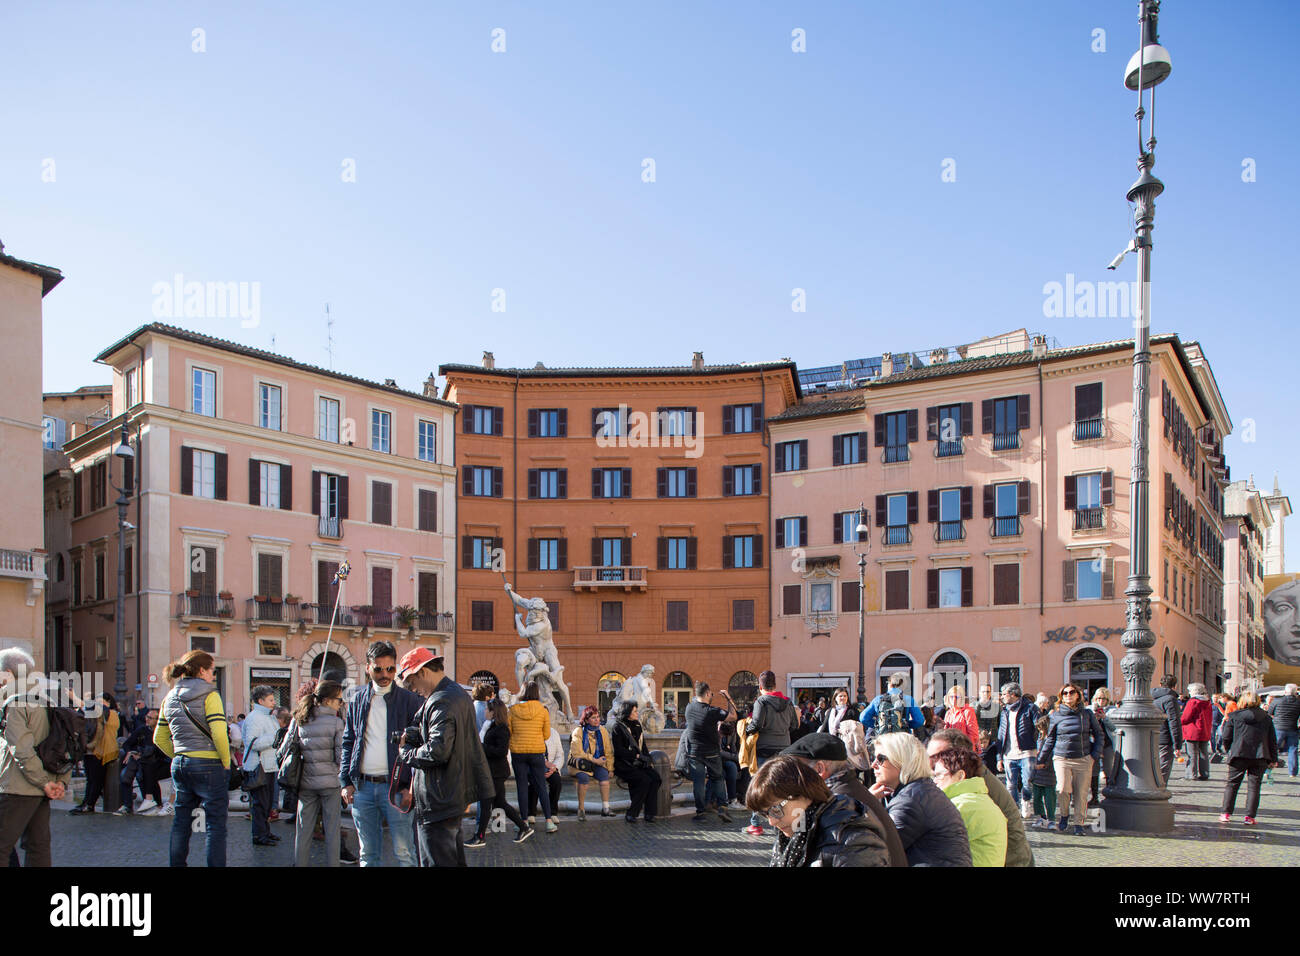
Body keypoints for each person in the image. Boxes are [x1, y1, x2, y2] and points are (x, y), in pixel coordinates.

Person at [395, 648, 494, 867]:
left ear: (422, 672)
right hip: (450, 794)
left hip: (439, 797)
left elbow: (437, 750)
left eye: (411, 683)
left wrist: (406, 753)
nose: (413, 690)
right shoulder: (456, 693)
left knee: (438, 860)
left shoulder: (441, 700)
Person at [340, 640, 423, 867]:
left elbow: (419, 747)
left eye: (390, 669)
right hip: (362, 788)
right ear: (368, 667)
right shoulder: (357, 700)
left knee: (404, 852)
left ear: (395, 668)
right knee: (368, 854)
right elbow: (349, 742)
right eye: (378, 669)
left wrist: (411, 785)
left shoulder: (410, 701)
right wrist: (345, 781)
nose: (385, 674)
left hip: (397, 788)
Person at [780, 733, 906, 866]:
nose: (792, 777)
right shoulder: (846, 791)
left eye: (796, 770)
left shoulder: (837, 804)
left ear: (819, 769)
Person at [746, 755, 893, 867]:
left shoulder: (850, 842)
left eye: (776, 809)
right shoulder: (796, 832)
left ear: (804, 792)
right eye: (764, 813)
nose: (772, 821)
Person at [154, 650, 230, 867]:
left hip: (180, 763)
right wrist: (225, 761)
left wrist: (178, 754)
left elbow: (159, 737)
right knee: (215, 826)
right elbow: (219, 734)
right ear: (202, 671)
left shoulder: (169, 696)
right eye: (212, 671)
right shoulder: (210, 695)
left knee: (181, 822)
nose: (213, 676)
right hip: (209, 763)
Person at [0, 648, 71, 867]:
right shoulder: (47, 699)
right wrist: (59, 781)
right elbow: (64, 744)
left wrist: (44, 782)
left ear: (9, 673)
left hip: (18, 787)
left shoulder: (15, 702)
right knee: (38, 849)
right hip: (43, 788)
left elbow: (21, 749)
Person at [927, 728, 1033, 867]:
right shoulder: (967, 777)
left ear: (958, 755)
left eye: (937, 756)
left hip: (1012, 858)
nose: (930, 763)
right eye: (928, 756)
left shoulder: (973, 785)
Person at [867, 732, 971, 866]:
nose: (873, 765)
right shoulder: (920, 791)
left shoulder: (911, 801)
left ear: (902, 760)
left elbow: (876, 849)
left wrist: (866, 804)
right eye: (873, 758)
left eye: (880, 759)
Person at [287, 680, 344, 866]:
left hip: (306, 782)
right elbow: (340, 757)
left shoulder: (301, 719)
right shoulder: (336, 722)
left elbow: (288, 748)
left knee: (303, 830)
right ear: (328, 700)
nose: (340, 704)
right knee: (332, 829)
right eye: (339, 700)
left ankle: (299, 863)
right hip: (330, 783)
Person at [1036, 683, 1102, 836]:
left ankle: (1079, 823)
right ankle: (1064, 815)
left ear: (1078, 695)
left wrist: (1094, 756)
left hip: (1083, 758)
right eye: (1065, 693)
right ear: (1061, 696)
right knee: (1063, 789)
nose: (1068, 695)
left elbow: (1099, 735)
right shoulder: (1056, 715)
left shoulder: (1087, 714)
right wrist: (1040, 759)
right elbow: (1050, 739)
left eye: (1072, 692)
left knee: (1081, 793)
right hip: (1062, 758)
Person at [468, 697, 531, 846]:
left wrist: (482, 747)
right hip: (492, 771)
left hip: (495, 772)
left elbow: (501, 751)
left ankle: (480, 836)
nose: (484, 711)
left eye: (487, 709)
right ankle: (523, 827)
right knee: (500, 803)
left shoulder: (501, 729)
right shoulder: (490, 726)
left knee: (486, 803)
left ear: (493, 712)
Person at [931, 745, 1007, 867]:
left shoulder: (962, 806)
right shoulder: (979, 800)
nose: (934, 781)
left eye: (939, 775)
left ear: (960, 775)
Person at [1218, 691, 1278, 825]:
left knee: (1232, 784)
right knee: (1254, 786)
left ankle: (1226, 813)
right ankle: (1250, 817)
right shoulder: (1266, 718)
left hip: (1238, 754)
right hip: (1260, 755)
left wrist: (1229, 750)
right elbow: (1272, 740)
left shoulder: (1234, 716)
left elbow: (1226, 736)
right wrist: (1273, 758)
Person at [508, 682, 556, 833]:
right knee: (541, 786)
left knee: (521, 787)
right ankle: (549, 821)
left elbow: (508, 732)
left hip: (518, 752)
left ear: (522, 692)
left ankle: (523, 822)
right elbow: (547, 734)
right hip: (536, 752)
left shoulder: (512, 710)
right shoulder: (542, 711)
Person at [683, 681, 734, 822]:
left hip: (694, 751)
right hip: (711, 751)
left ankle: (700, 813)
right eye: (711, 693)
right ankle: (723, 808)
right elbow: (733, 716)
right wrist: (728, 698)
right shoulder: (712, 711)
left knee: (698, 782)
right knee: (717, 778)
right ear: (706, 693)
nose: (711, 695)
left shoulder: (689, 708)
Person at [241, 685, 281, 847]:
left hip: (268, 765)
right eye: (270, 700)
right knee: (260, 803)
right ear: (260, 701)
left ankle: (265, 831)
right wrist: (274, 738)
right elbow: (252, 742)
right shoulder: (255, 718)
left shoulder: (268, 716)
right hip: (259, 766)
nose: (274, 702)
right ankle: (259, 835)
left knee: (267, 802)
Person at [610, 700, 661, 823]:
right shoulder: (618, 727)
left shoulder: (637, 725)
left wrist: (647, 758)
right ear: (628, 713)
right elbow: (619, 751)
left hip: (638, 762)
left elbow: (642, 745)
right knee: (644, 780)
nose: (637, 713)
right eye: (635, 711)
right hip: (623, 764)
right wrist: (636, 755)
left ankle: (649, 813)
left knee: (656, 778)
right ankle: (632, 813)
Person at [69, 691, 119, 814]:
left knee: (96, 779)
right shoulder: (97, 713)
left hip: (103, 750)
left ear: (107, 702)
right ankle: (86, 803)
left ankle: (89, 804)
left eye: (99, 700)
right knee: (90, 779)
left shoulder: (111, 713)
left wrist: (75, 698)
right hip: (91, 749)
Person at [996, 682, 1039, 821]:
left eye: (1004, 694)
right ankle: (1013, 809)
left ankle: (1026, 804)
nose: (1002, 697)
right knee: (1010, 784)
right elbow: (1001, 734)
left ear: (1013, 694)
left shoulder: (1030, 708)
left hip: (1027, 752)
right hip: (1009, 753)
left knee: (1027, 782)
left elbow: (1039, 729)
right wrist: (999, 757)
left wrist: (1038, 748)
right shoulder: (1004, 711)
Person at [116, 708, 169, 815]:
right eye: (147, 717)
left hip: (158, 762)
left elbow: (160, 752)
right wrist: (131, 752)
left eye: (150, 718)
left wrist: (141, 754)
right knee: (126, 776)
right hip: (139, 760)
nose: (147, 719)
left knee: (148, 773)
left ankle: (154, 803)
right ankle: (128, 805)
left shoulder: (163, 732)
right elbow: (127, 744)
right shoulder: (142, 730)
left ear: (157, 720)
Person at [568, 705, 615, 821]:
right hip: (580, 764)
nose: (597, 720)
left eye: (598, 717)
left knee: (604, 777)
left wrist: (610, 768)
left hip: (597, 763)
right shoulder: (578, 731)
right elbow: (577, 752)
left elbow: (608, 750)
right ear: (586, 720)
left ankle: (605, 808)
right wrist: (595, 760)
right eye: (594, 718)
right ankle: (581, 809)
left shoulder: (602, 730)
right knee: (584, 779)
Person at [861, 671, 924, 739]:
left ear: (889, 684)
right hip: (902, 737)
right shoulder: (908, 699)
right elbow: (919, 720)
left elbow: (863, 718)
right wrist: (905, 725)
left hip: (883, 737)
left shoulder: (878, 699)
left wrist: (879, 725)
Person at [528, 723, 565, 826]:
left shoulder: (554, 733)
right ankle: (531, 812)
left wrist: (554, 768)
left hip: (551, 767)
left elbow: (560, 754)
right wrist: (543, 763)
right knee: (534, 781)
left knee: (556, 781)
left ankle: (553, 812)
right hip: (535, 766)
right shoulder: (530, 732)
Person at [1152, 674, 1184, 785]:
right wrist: (1177, 745)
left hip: (1152, 736)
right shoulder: (1170, 699)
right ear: (1174, 686)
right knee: (1163, 768)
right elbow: (1174, 722)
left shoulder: (1152, 698)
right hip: (1165, 738)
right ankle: (1159, 791)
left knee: (1152, 766)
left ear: (1160, 685)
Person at [1178, 682, 1212, 781]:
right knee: (1204, 753)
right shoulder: (1207, 701)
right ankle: (1205, 773)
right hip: (1204, 730)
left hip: (1192, 731)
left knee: (1192, 754)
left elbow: (1186, 717)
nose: (1189, 692)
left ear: (1194, 691)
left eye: (1190, 690)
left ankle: (1191, 774)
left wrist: (1179, 722)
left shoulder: (1193, 702)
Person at [1089, 688, 1117, 805]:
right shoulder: (1089, 710)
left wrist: (1104, 718)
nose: (1101, 701)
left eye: (1103, 698)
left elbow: (1114, 727)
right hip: (1093, 744)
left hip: (1107, 744)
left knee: (1108, 770)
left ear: (1107, 700)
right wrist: (1094, 718)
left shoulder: (1112, 711)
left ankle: (1109, 795)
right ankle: (1094, 797)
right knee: (1094, 771)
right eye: (1098, 698)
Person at [1028, 715, 1057, 829]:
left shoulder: (1051, 741)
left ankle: (1051, 819)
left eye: (1041, 728)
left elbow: (1050, 756)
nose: (1040, 731)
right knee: (1037, 798)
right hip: (1037, 774)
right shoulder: (1039, 739)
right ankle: (1041, 817)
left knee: (1050, 799)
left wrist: (1044, 764)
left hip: (1048, 774)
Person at [1265, 683, 1300, 778]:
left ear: (1285, 691)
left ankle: (1267, 769)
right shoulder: (1298, 702)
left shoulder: (1277, 701)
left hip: (1278, 728)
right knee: (1293, 749)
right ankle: (1292, 772)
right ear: (1295, 692)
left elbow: (1269, 713)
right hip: (1292, 728)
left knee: (1272, 748)